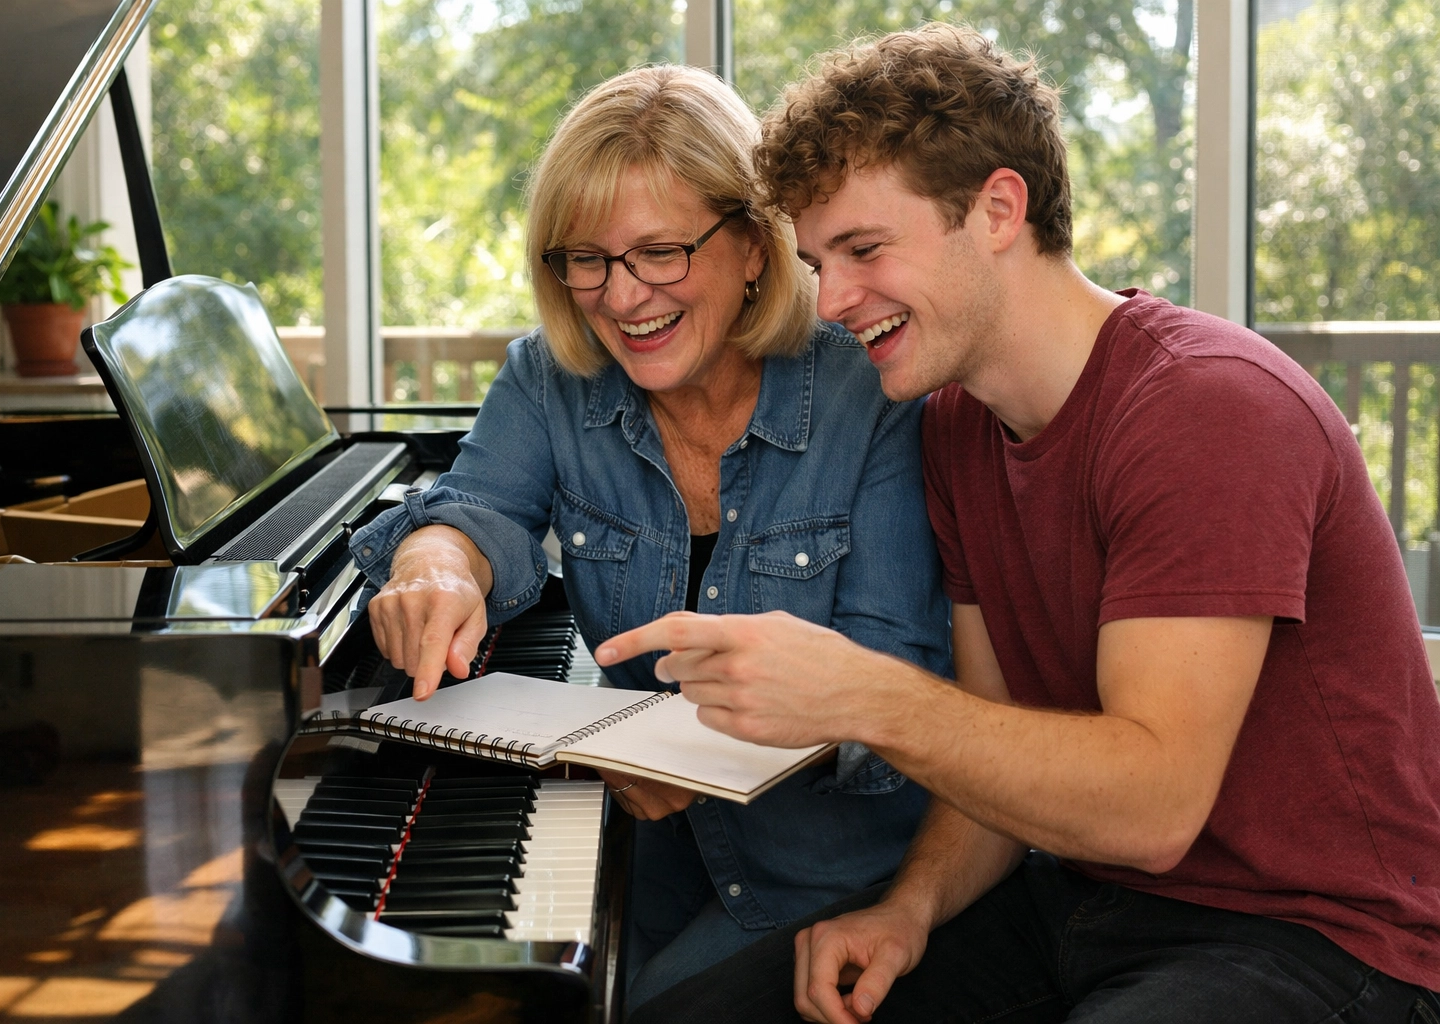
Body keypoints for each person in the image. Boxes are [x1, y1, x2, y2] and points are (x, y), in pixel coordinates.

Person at [602, 25, 1440, 1024]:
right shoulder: (959, 427)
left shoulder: (1207, 409)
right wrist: (907, 912)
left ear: (999, 209)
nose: (833, 303)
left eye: (864, 250)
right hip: (1086, 902)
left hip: (1324, 941)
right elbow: (991, 751)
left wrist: (864, 696)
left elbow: (1153, 806)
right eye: (818, 261)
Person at [348, 65, 952, 1010]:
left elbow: (892, 677)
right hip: (657, 854)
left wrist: (679, 747)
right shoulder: (551, 380)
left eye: (661, 252)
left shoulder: (866, 391)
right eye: (584, 258)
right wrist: (436, 566)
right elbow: (480, 509)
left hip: (840, 876)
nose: (623, 298)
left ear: (755, 245)